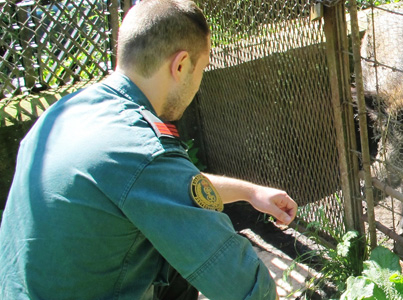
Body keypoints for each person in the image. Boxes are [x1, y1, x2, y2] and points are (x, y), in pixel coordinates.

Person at [0, 0, 297, 299]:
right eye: (202, 68)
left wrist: (249, 192)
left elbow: (160, 186)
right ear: (180, 65)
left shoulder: (63, 114)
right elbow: (247, 287)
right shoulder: (142, 149)